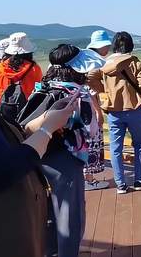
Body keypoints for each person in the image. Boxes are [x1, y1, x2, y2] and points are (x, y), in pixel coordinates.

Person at [0, 25, 79, 257]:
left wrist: (46, 119)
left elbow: (8, 136)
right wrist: (47, 130)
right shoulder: (33, 69)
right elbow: (2, 172)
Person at [19, 44, 105, 257]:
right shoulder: (77, 93)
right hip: (67, 159)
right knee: (69, 214)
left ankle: (49, 252)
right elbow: (91, 129)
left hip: (39, 153)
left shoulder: (42, 87)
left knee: (47, 211)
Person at [88, 31, 141, 194]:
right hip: (134, 108)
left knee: (116, 148)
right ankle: (139, 180)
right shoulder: (134, 62)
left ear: (114, 45)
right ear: (130, 45)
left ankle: (121, 185)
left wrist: (107, 90)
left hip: (113, 111)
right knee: (139, 145)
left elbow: (90, 77)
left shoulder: (105, 64)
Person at [83, 29, 113, 191]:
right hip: (88, 108)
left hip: (77, 107)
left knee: (81, 142)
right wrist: (98, 112)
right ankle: (89, 179)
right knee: (92, 142)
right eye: (106, 45)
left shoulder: (84, 57)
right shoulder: (94, 62)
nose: (108, 48)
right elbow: (90, 90)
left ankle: (84, 178)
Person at [0, 32, 43, 115]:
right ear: (28, 51)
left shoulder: (0, 67)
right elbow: (38, 90)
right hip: (25, 110)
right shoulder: (34, 68)